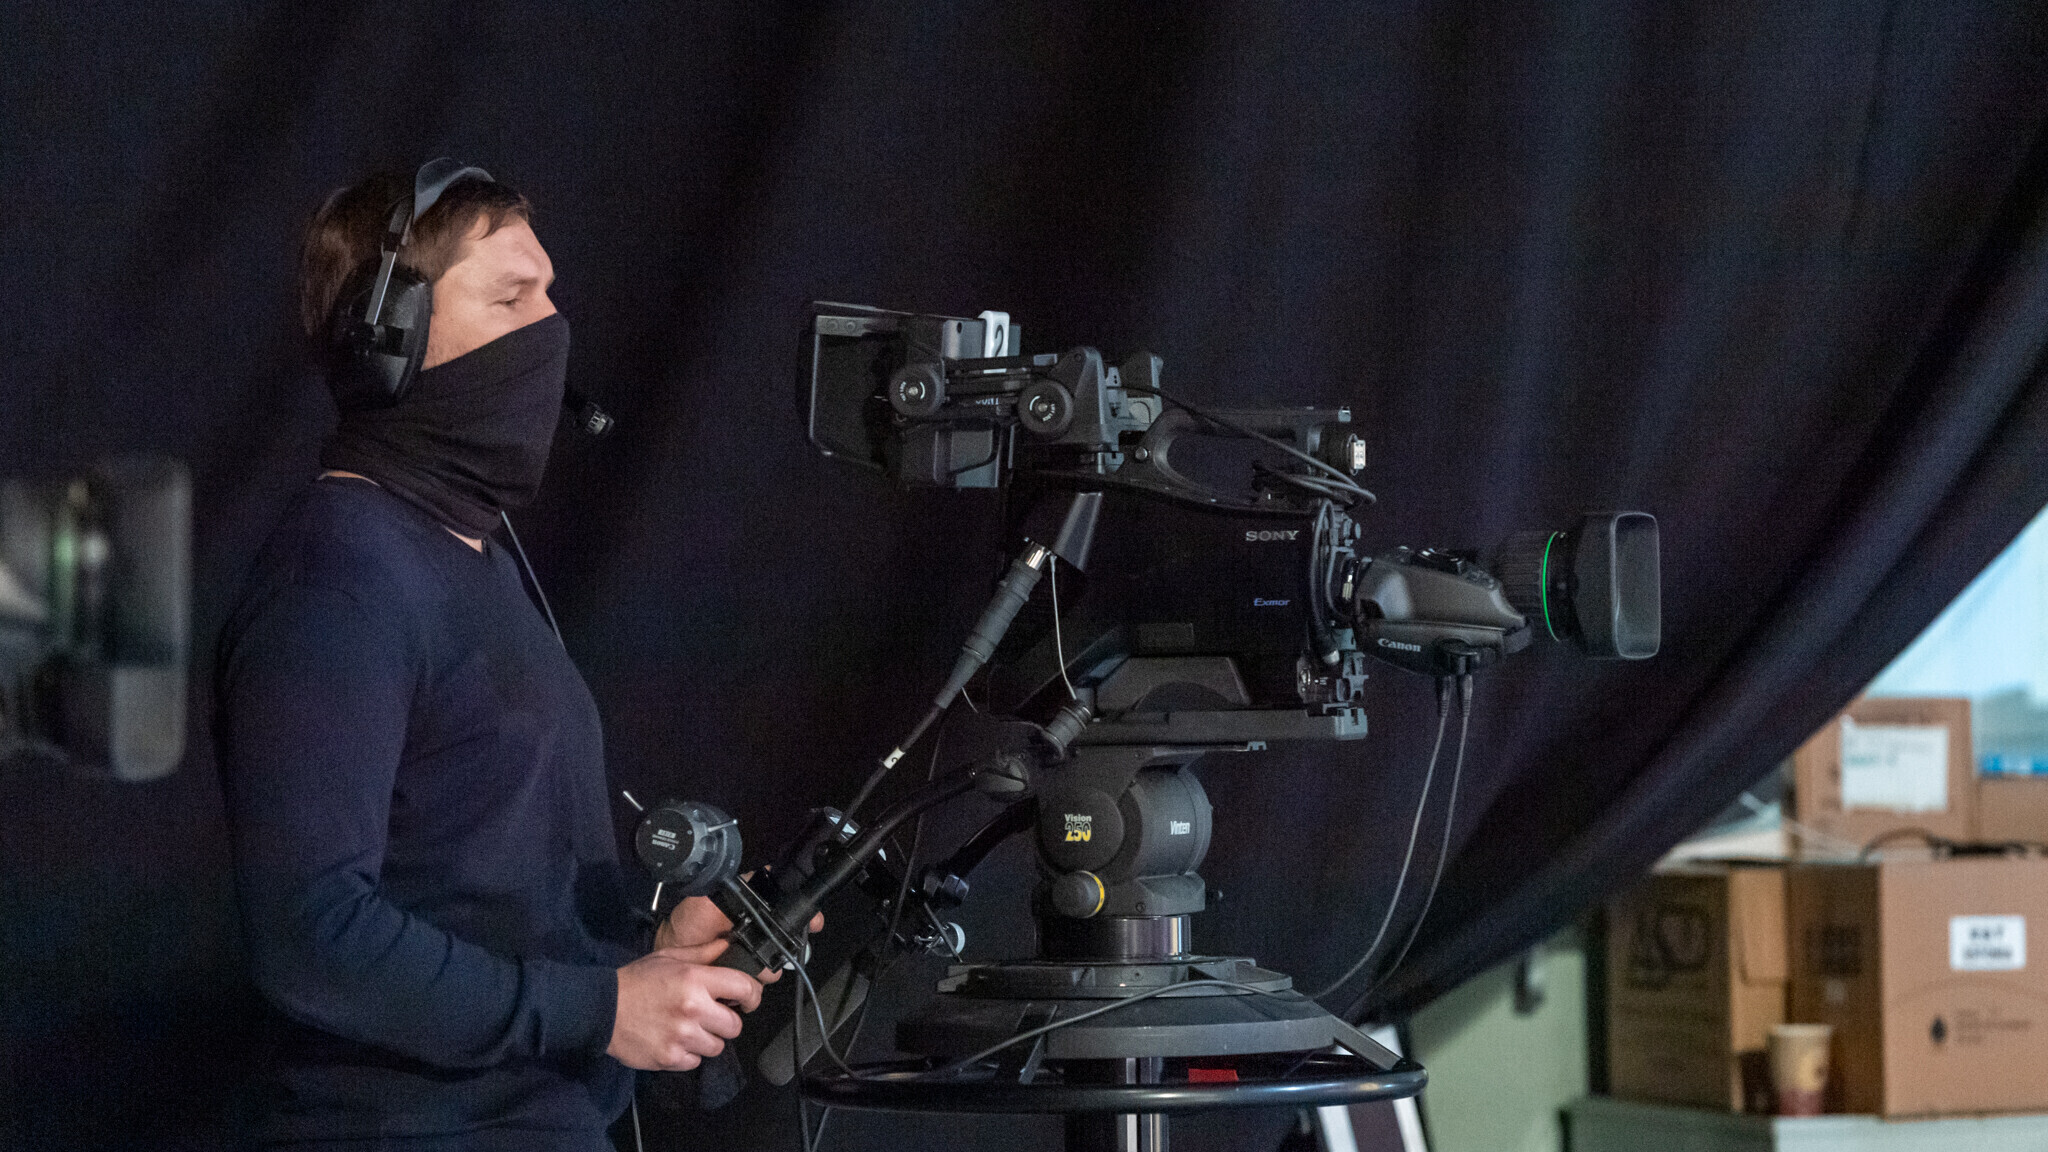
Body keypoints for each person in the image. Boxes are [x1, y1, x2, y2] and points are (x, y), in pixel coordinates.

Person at [217, 165, 800, 1150]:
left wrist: (643, 962)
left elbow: (480, 896)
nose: (551, 331)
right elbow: (312, 934)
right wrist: (600, 1008)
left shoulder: (473, 558)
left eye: (550, 296)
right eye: (510, 298)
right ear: (387, 341)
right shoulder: (337, 583)